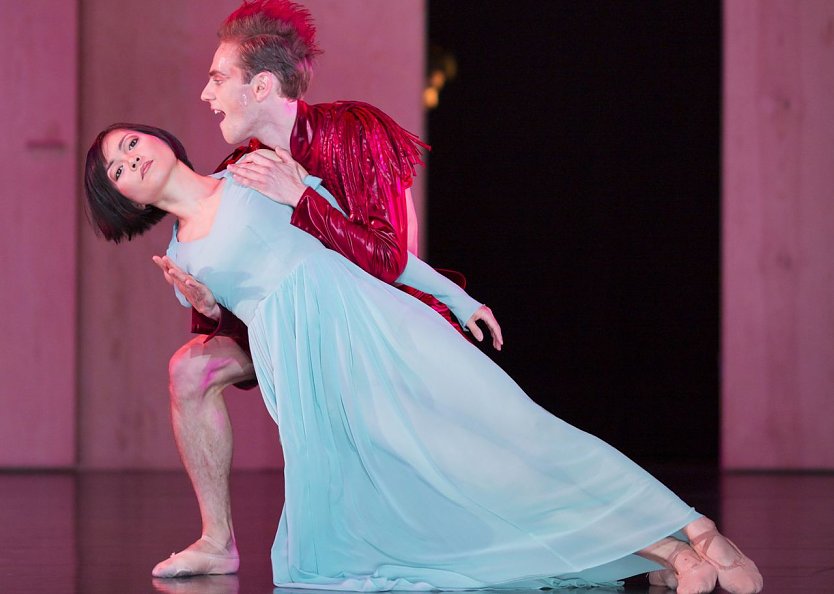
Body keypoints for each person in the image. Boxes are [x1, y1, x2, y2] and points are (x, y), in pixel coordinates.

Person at [85, 123, 763, 594]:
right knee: (449, 481)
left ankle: (690, 529)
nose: (131, 160)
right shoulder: (177, 258)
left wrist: (451, 296)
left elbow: (358, 243)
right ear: (126, 200)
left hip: (375, 325)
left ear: (159, 140)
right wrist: (205, 302)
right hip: (319, 380)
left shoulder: (251, 171)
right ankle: (666, 550)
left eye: (130, 143)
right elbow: (242, 332)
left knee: (510, 436)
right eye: (116, 169)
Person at [154, 0, 503, 580]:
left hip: (378, 320)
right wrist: (209, 307)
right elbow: (256, 295)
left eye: (217, 79)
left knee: (468, 474)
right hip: (293, 335)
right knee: (190, 367)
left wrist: (304, 201)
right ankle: (217, 540)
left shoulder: (352, 131)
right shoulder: (238, 166)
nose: (205, 95)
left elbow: (390, 262)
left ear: (261, 85)